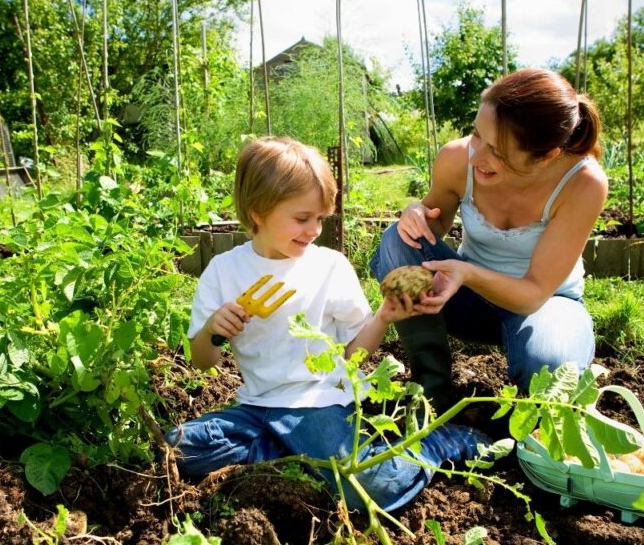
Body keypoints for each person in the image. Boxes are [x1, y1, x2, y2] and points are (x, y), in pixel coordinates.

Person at [166, 136, 491, 512]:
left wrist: (383, 316)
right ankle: (295, 455)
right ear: (258, 211)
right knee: (176, 448)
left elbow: (353, 355)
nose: (314, 230)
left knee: (373, 489)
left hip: (318, 402)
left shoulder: (328, 267)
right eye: (302, 218)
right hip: (257, 407)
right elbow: (203, 361)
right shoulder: (224, 271)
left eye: (320, 218)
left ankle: (437, 443)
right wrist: (213, 331)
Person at [371, 68, 608, 412]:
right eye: (476, 135)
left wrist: (467, 274)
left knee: (553, 371)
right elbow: (433, 220)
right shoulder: (457, 158)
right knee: (397, 240)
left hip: (544, 304)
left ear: (547, 156)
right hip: (466, 300)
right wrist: (416, 212)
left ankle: (544, 387)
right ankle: (431, 387)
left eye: (498, 151)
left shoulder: (582, 183)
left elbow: (533, 293)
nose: (477, 155)